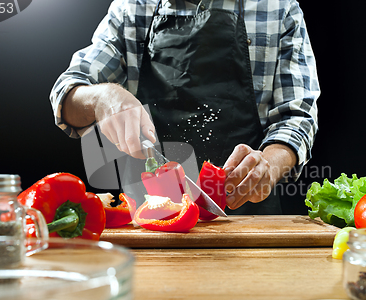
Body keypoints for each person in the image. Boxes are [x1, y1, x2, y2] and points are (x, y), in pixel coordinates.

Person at [50, 0, 320, 214]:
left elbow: (297, 118)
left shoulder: (278, 9)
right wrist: (103, 99)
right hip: (152, 215)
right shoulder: (132, 9)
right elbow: (67, 94)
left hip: (248, 215)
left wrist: (269, 165)